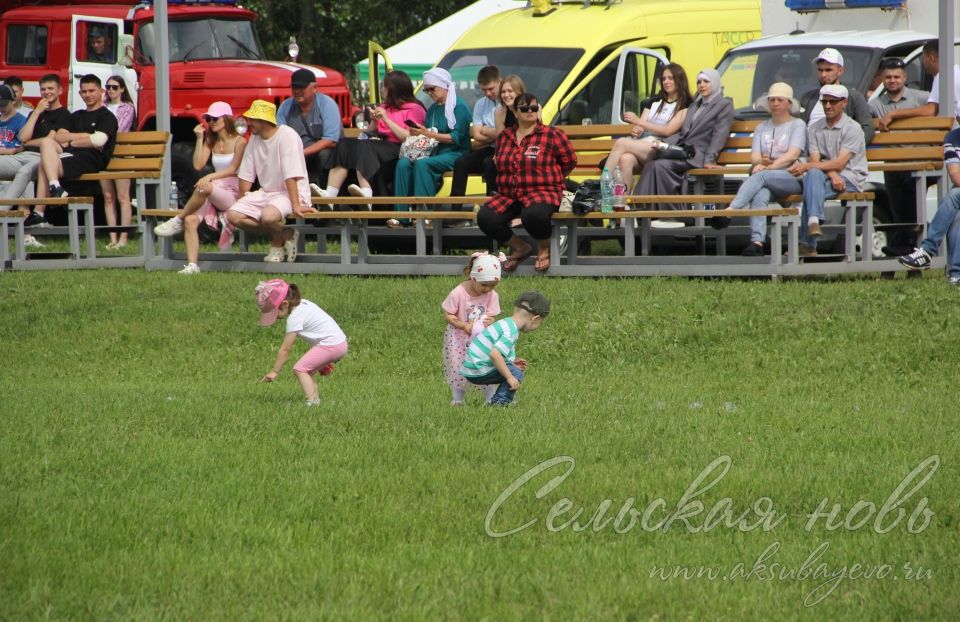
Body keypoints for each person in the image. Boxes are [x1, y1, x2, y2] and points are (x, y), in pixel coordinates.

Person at [477, 93, 576, 273]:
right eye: (524, 108)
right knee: (485, 217)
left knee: (533, 216)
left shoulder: (553, 134)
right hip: (510, 193)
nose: (530, 111)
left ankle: (543, 248)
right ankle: (520, 247)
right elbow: (498, 163)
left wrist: (551, 178)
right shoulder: (505, 137)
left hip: (543, 191)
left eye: (534, 107)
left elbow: (569, 162)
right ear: (515, 112)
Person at [153, 102, 247, 273]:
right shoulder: (211, 141)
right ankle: (192, 265)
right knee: (191, 220)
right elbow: (197, 164)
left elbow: (233, 169)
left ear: (226, 119)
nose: (211, 122)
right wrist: (199, 139)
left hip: (233, 192)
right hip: (214, 190)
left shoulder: (240, 142)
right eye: (208, 119)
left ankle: (178, 219)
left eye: (215, 118)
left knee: (206, 187)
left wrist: (210, 176)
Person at [634, 68, 734, 223]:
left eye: (706, 81)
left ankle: (672, 215)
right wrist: (663, 144)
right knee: (652, 165)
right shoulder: (695, 105)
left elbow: (719, 135)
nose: (702, 85)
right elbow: (682, 135)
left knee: (661, 166)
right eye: (699, 82)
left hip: (698, 154)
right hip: (683, 150)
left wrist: (709, 160)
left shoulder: (723, 105)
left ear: (715, 83)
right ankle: (642, 210)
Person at [721, 82, 806, 256]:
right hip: (769, 178)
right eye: (771, 99)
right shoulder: (762, 127)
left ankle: (731, 210)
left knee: (761, 178)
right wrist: (761, 164)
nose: (774, 103)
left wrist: (769, 166)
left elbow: (793, 154)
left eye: (779, 100)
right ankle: (757, 242)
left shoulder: (798, 125)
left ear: (789, 103)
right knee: (760, 194)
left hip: (792, 177)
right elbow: (755, 157)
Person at [226, 99, 314, 263]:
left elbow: (291, 174)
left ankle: (277, 243)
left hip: (290, 192)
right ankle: (285, 234)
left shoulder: (287, 136)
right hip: (267, 193)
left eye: (252, 119)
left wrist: (296, 204)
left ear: (264, 121)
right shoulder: (254, 138)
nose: (249, 122)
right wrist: (243, 200)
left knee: (267, 217)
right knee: (233, 215)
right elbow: (246, 173)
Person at [789, 84, 867, 256]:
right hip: (827, 177)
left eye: (833, 102)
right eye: (825, 102)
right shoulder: (815, 127)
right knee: (813, 177)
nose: (828, 106)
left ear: (844, 103)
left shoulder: (853, 128)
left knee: (811, 179)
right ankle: (814, 221)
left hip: (851, 177)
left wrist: (809, 166)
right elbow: (816, 160)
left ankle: (807, 242)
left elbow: (840, 163)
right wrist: (830, 174)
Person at [30, 74, 118, 226]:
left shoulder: (107, 116)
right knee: (46, 142)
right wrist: (85, 137)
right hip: (72, 155)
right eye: (84, 92)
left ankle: (40, 210)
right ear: (79, 93)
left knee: (44, 165)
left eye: (92, 91)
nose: (88, 95)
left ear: (101, 91)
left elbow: (98, 140)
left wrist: (72, 140)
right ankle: (54, 188)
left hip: (92, 159)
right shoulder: (76, 115)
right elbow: (59, 137)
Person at [323, 70, 426, 200]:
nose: (382, 90)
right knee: (344, 144)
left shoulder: (414, 109)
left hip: (400, 148)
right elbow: (369, 133)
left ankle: (366, 192)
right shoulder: (385, 107)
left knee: (366, 146)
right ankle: (330, 195)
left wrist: (387, 119)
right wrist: (374, 121)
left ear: (393, 89)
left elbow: (408, 137)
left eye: (384, 86)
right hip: (380, 146)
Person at [389, 67, 471, 227]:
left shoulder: (459, 106)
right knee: (403, 163)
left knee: (423, 163)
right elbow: (429, 134)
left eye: (431, 89)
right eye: (426, 90)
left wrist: (427, 133)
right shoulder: (433, 108)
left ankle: (424, 214)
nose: (429, 93)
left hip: (456, 153)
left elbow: (456, 139)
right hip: (435, 151)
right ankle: (401, 215)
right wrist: (418, 132)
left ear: (444, 85)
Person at [868, 57, 932, 254]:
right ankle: (903, 251)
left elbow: (934, 109)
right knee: (898, 213)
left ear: (905, 78)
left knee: (913, 213)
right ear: (882, 79)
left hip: (918, 165)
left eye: (896, 76)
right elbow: (863, 119)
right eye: (888, 77)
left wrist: (895, 115)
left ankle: (905, 250)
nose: (892, 80)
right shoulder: (875, 104)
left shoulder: (921, 97)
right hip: (892, 165)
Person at [0, 74, 69, 247]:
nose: (46, 92)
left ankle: (2, 214)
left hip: (44, 158)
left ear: (60, 90)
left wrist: (29, 142)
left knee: (24, 173)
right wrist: (37, 111)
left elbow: (51, 139)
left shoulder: (64, 114)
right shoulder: (34, 112)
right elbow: (23, 137)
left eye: (50, 88)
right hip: (21, 155)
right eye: (43, 89)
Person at [256, 279, 348, 407]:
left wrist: (275, 371)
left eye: (274, 311)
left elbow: (285, 349)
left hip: (332, 345)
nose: (275, 316)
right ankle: (316, 402)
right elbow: (320, 330)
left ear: (285, 304)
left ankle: (312, 403)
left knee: (300, 369)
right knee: (308, 371)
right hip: (338, 343)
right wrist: (322, 361)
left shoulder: (294, 318)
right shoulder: (305, 304)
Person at [605, 63, 693, 193]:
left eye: (670, 78)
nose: (666, 82)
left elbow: (668, 131)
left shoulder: (686, 104)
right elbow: (641, 125)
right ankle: (623, 203)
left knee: (621, 142)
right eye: (663, 79)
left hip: (661, 147)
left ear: (679, 79)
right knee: (625, 159)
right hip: (643, 144)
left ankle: (603, 186)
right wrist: (637, 129)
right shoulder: (653, 102)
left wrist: (638, 121)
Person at [459, 290, 550, 407]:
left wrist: (510, 362)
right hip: (478, 370)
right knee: (516, 373)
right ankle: (500, 404)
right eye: (540, 323)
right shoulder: (511, 331)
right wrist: (510, 377)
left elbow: (494, 352)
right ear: (535, 319)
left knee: (513, 369)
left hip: (471, 366)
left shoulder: (506, 323)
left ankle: (500, 399)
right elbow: (495, 355)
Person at [897, 126, 960, 287]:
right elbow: (955, 176)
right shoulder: (952, 138)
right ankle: (956, 275)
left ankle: (928, 250)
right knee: (957, 214)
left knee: (953, 196)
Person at [442, 252, 503, 406]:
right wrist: (463, 325)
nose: (487, 289)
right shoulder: (459, 293)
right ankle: (458, 400)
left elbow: (492, 313)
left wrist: (490, 320)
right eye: (484, 285)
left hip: (482, 338)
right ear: (473, 277)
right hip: (458, 338)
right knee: (459, 367)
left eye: (492, 285)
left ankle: (490, 398)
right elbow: (448, 314)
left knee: (486, 365)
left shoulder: (492, 295)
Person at [276, 68, 342, 191]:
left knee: (325, 155)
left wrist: (301, 153)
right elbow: (278, 134)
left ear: (315, 88)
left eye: (301, 88)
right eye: (294, 87)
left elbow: (330, 140)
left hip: (322, 153)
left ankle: (325, 196)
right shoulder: (285, 107)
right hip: (294, 153)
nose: (297, 91)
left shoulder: (327, 104)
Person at [799, 48, 875, 146]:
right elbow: (799, 129)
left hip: (840, 153)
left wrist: (846, 150)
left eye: (828, 70)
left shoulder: (854, 97)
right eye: (820, 70)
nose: (823, 74)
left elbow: (867, 130)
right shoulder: (808, 98)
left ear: (840, 71)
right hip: (809, 152)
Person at [450, 65, 501, 199]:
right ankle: (455, 209)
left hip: (506, 150)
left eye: (491, 89)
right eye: (484, 90)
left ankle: (491, 205)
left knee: (489, 163)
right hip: (489, 148)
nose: (488, 93)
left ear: (499, 82)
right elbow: (477, 136)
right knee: (461, 162)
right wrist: (496, 134)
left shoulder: (508, 102)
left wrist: (485, 129)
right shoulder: (480, 104)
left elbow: (507, 134)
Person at [100, 75, 136, 249]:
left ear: (122, 89)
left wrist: (100, 135)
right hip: (104, 155)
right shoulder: (102, 107)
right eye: (108, 87)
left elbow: (118, 129)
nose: (111, 90)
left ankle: (123, 238)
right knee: (108, 198)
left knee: (123, 198)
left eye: (115, 87)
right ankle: (113, 238)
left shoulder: (127, 107)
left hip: (121, 154)